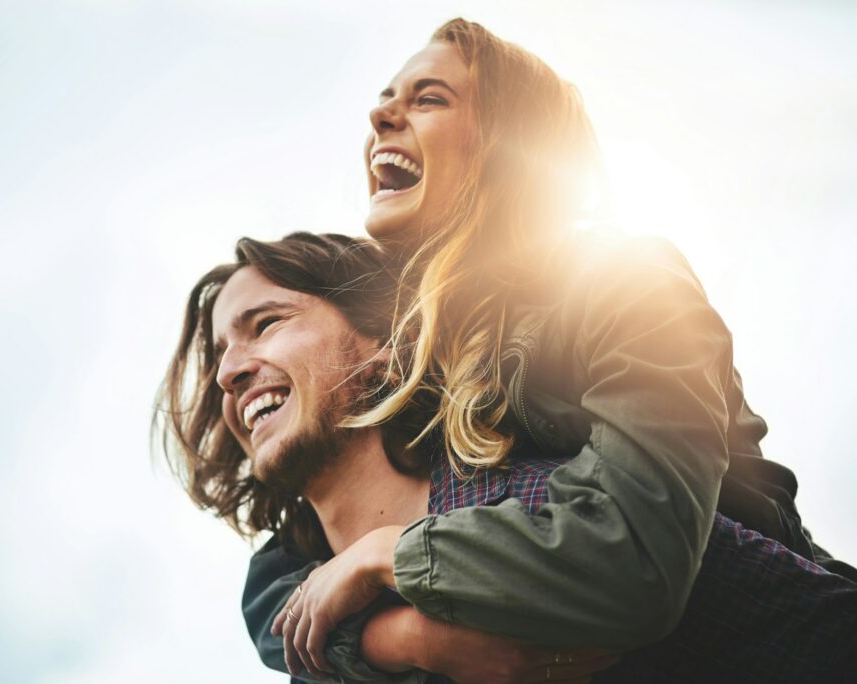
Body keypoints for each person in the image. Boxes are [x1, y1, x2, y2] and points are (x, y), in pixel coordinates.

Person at [226, 17, 855, 681]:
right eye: (386, 96)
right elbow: (283, 584)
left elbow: (634, 553)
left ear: (510, 148)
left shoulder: (625, 278)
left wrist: (392, 553)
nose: (382, 113)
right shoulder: (427, 372)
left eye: (428, 98)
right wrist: (408, 638)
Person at [156, 231, 857, 683]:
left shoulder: (554, 513)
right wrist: (417, 640)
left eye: (267, 325)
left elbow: (812, 628)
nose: (228, 373)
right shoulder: (316, 631)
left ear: (382, 346)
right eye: (220, 354)